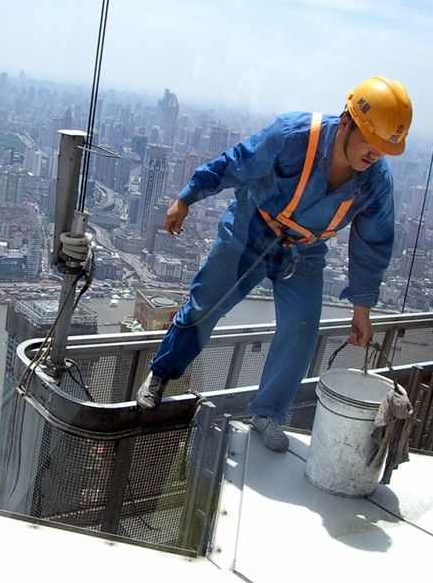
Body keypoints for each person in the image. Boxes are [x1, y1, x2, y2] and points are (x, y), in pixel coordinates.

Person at [135, 76, 413, 453]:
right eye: (370, 140)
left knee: (300, 333)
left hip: (305, 250)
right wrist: (187, 198)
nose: (374, 155)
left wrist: (361, 310)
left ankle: (268, 413)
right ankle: (161, 373)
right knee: (205, 307)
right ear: (347, 121)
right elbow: (237, 162)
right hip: (253, 228)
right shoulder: (295, 135)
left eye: (383, 149)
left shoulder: (375, 182)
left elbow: (373, 243)